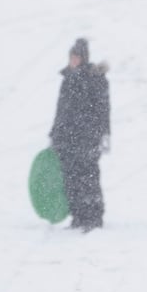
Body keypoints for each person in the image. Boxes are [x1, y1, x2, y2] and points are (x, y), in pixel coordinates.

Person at [49, 37, 110, 232]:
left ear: (84, 58)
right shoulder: (67, 79)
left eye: (77, 57)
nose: (73, 60)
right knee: (71, 178)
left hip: (87, 138)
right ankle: (78, 216)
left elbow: (103, 110)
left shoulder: (95, 78)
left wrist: (103, 134)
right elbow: (61, 110)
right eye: (71, 57)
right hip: (66, 138)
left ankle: (93, 218)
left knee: (88, 177)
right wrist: (54, 134)